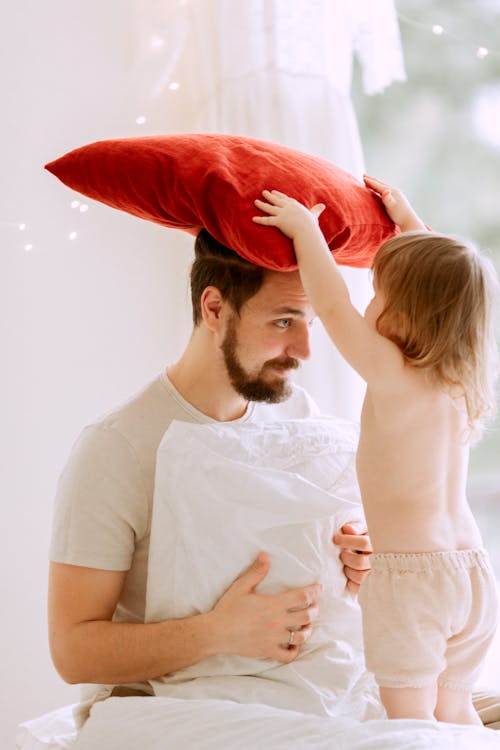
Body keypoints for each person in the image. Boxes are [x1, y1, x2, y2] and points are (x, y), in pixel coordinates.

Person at [48, 228, 372, 717]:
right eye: (284, 321)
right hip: (162, 708)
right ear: (215, 309)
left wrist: (357, 559)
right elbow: (72, 653)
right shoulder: (118, 447)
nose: (304, 349)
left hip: (302, 696)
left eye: (309, 323)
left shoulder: (298, 418)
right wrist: (217, 633)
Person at [253, 177, 499, 725]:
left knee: (409, 724)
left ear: (406, 315)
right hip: (475, 575)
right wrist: (409, 222)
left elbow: (333, 306)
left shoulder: (392, 373)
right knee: (455, 713)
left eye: (380, 296)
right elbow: (450, 286)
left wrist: (305, 230)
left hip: (411, 580)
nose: (370, 306)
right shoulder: (460, 383)